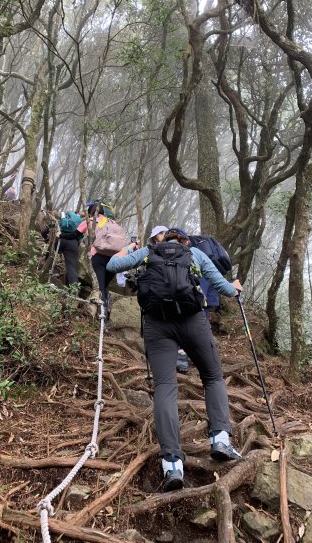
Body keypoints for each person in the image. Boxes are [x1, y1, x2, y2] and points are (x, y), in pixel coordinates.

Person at [106, 227, 243, 492]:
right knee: (213, 376)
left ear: (161, 240)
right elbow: (223, 288)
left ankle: (172, 465)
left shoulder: (148, 253)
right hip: (192, 321)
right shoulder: (194, 254)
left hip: (157, 325)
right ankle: (220, 440)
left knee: (165, 388)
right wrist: (234, 289)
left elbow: (113, 264)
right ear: (184, 241)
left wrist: (129, 249)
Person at [147, 225, 191, 375]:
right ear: (186, 241)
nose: (155, 239)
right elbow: (215, 279)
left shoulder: (151, 252)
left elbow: (114, 265)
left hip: (158, 302)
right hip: (185, 302)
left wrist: (126, 250)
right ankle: (182, 357)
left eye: (157, 236)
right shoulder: (191, 253)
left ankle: (165, 362)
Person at [76, 202, 117, 319]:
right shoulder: (112, 223)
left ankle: (101, 316)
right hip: (114, 258)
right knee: (104, 287)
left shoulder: (89, 222)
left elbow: (74, 235)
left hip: (98, 257)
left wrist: (60, 234)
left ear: (90, 213)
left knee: (100, 288)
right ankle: (105, 315)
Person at [56, 211, 85, 286]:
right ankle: (73, 288)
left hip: (60, 238)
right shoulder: (80, 222)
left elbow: (45, 231)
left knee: (50, 254)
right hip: (73, 242)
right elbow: (80, 236)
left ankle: (53, 271)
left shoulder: (64, 219)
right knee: (71, 266)